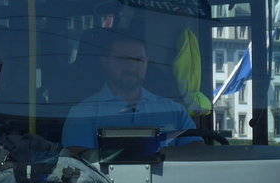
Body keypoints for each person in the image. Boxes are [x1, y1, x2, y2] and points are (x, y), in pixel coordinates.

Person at [61, 29, 195, 152]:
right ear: (105, 62)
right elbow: (79, 168)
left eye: (138, 60)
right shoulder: (82, 114)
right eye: (122, 59)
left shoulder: (175, 112)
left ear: (146, 63)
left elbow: (198, 156)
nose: (131, 67)